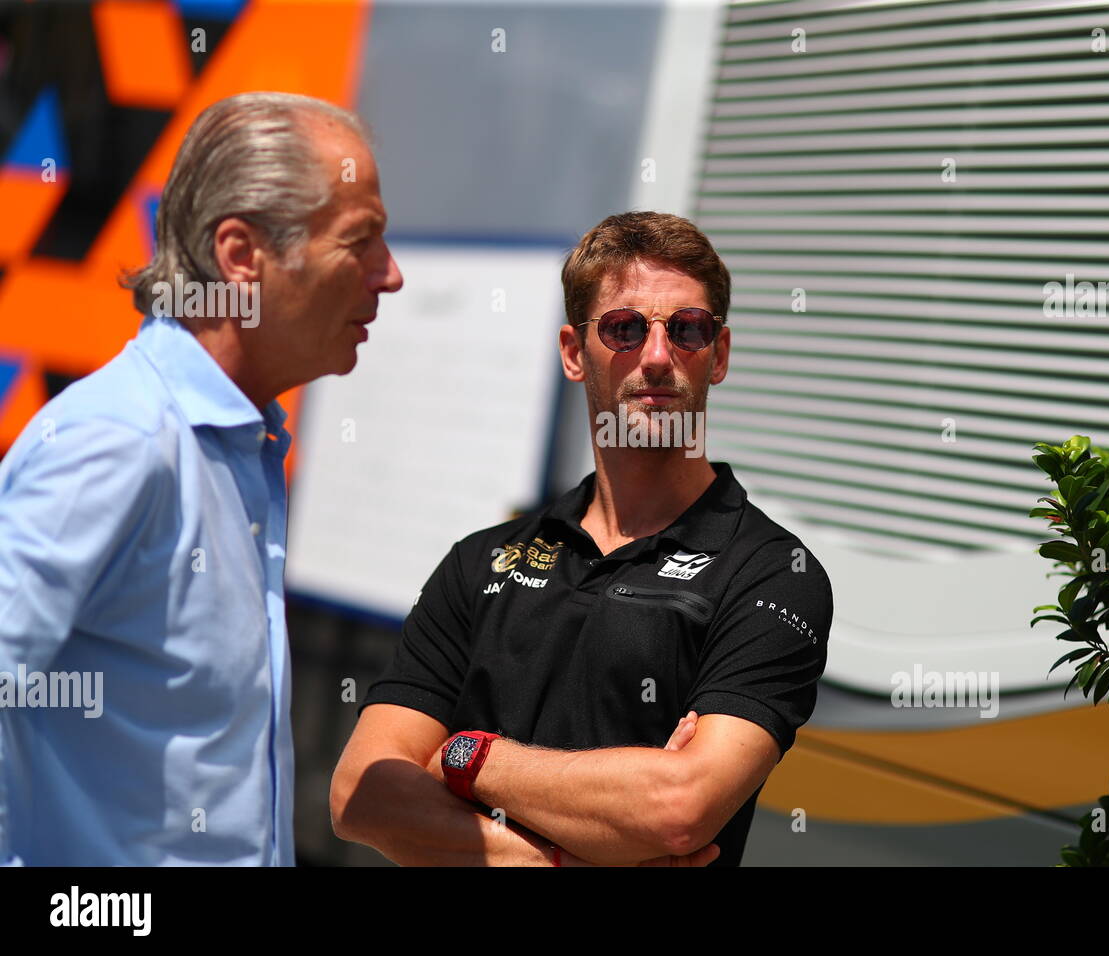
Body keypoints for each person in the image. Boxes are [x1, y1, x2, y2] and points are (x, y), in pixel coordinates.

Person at [331, 211, 832, 866]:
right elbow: (360, 794)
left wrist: (465, 755)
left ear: (720, 354)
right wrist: (553, 860)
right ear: (574, 353)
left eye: (687, 330)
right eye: (624, 329)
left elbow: (678, 810)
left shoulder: (773, 573)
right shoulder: (480, 561)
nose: (657, 356)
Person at [0, 91, 404, 865]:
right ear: (241, 255)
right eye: (362, 241)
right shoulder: (120, 440)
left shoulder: (238, 442)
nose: (390, 276)